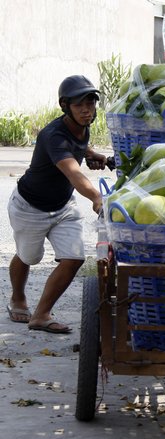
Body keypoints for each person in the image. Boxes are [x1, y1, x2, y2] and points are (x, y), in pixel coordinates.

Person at [7, 75, 106, 334]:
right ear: (65, 107)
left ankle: (41, 315)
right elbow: (74, 174)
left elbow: (78, 145)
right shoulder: (53, 135)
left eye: (90, 103)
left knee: (74, 258)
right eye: (79, 105)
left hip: (63, 207)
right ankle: (17, 298)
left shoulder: (83, 126)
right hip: (30, 206)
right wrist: (97, 198)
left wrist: (92, 154)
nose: (86, 110)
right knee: (28, 256)